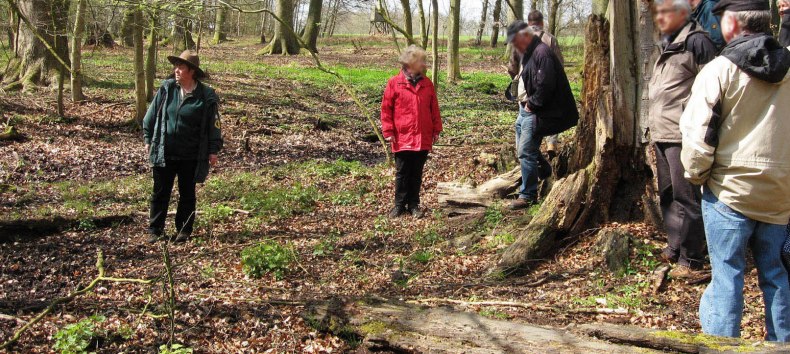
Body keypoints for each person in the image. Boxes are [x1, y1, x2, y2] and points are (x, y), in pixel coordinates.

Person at [680, 0, 790, 341]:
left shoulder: (719, 70)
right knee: (777, 275)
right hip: (780, 194)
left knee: (727, 276)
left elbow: (698, 137)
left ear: (731, 23)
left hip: (729, 192)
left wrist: (698, 176)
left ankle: (721, 347)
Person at [648, 0, 717, 279]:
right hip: (661, 131)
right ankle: (675, 245)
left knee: (687, 197)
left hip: (683, 135)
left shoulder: (697, 42)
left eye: (666, 13)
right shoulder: (668, 44)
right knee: (668, 194)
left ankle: (692, 257)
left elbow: (713, 89)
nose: (660, 18)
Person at [143, 50, 223, 243]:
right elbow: (150, 116)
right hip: (164, 151)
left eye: (181, 67)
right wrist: (148, 139)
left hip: (191, 154)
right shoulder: (167, 89)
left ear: (192, 71)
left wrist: (213, 150)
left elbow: (214, 125)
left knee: (187, 193)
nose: (176, 70)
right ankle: (155, 230)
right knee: (160, 192)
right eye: (176, 67)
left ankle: (184, 230)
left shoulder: (206, 96)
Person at [505, 21, 578, 210]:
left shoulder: (542, 53)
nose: (514, 46)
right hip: (525, 109)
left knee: (526, 151)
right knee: (522, 147)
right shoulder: (528, 53)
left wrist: (532, 104)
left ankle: (528, 195)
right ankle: (544, 169)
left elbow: (546, 84)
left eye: (515, 41)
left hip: (535, 111)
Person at [380, 45, 442, 219]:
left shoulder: (427, 84)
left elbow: (434, 108)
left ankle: (414, 204)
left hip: (423, 135)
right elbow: (386, 109)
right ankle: (399, 205)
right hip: (402, 136)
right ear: (410, 62)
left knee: (416, 173)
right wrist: (388, 130)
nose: (424, 64)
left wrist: (436, 129)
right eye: (421, 61)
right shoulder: (394, 83)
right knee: (402, 172)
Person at [527, 10, 563, 157]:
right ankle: (551, 143)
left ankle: (531, 148)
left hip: (528, 87)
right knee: (551, 113)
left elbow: (513, 66)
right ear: (542, 23)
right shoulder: (550, 39)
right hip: (547, 82)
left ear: (528, 23)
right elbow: (559, 63)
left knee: (530, 116)